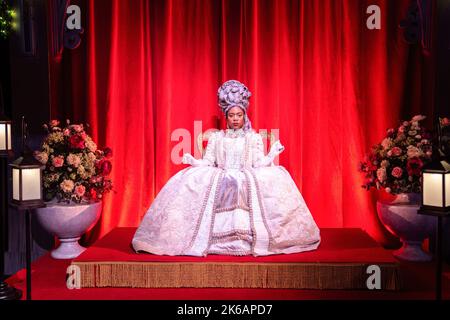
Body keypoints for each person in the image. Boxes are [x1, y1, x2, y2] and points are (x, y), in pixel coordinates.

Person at [132, 80, 320, 256]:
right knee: (193, 180)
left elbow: (258, 164)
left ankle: (248, 236)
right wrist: (193, 161)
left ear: (244, 115)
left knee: (259, 181)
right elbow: (209, 161)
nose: (236, 119)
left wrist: (272, 154)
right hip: (221, 176)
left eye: (239, 115)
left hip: (245, 177)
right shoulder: (217, 138)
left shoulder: (252, 138)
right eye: (232, 115)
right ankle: (207, 237)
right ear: (226, 117)